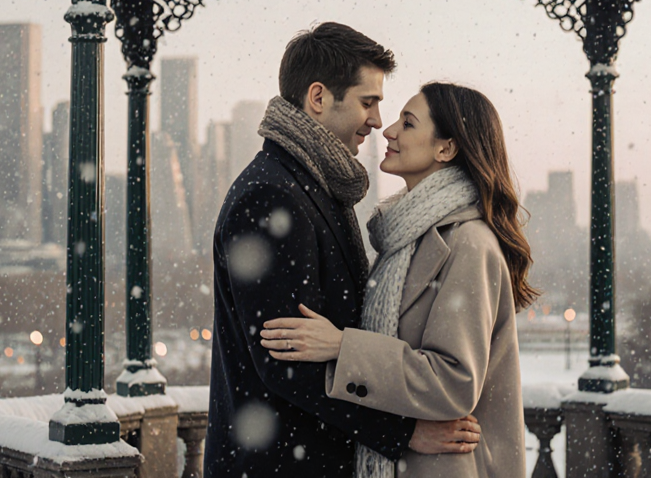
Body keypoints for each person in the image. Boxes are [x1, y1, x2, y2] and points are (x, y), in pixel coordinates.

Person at [206, 25, 482, 477]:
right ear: (318, 97)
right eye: (367, 101)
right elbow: (285, 361)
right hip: (281, 465)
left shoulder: (312, 184)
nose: (377, 120)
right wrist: (403, 432)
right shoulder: (273, 196)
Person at [261, 81, 538, 478]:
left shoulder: (468, 242)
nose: (388, 130)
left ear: (446, 148)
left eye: (407, 123)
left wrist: (343, 346)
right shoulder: (403, 239)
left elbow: (455, 382)